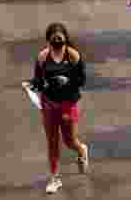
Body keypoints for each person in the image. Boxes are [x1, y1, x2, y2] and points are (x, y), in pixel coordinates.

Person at [27, 22, 90, 194]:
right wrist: (32, 85)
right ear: (48, 41)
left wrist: (66, 82)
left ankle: (81, 149)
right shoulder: (42, 58)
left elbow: (82, 81)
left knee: (69, 141)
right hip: (49, 105)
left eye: (61, 43)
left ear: (65, 42)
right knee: (52, 142)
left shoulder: (73, 56)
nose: (58, 47)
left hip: (68, 105)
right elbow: (38, 81)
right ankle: (55, 178)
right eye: (54, 43)